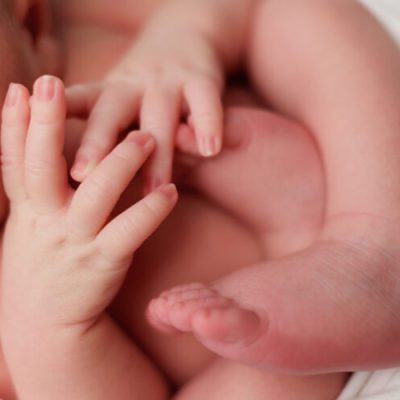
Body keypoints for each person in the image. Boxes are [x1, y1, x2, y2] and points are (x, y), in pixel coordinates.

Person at [0, 0, 400, 399]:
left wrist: (187, 30)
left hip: (353, 182)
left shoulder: (88, 20)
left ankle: (375, 245)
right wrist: (42, 330)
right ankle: (311, 283)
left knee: (300, 10)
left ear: (29, 26)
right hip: (283, 359)